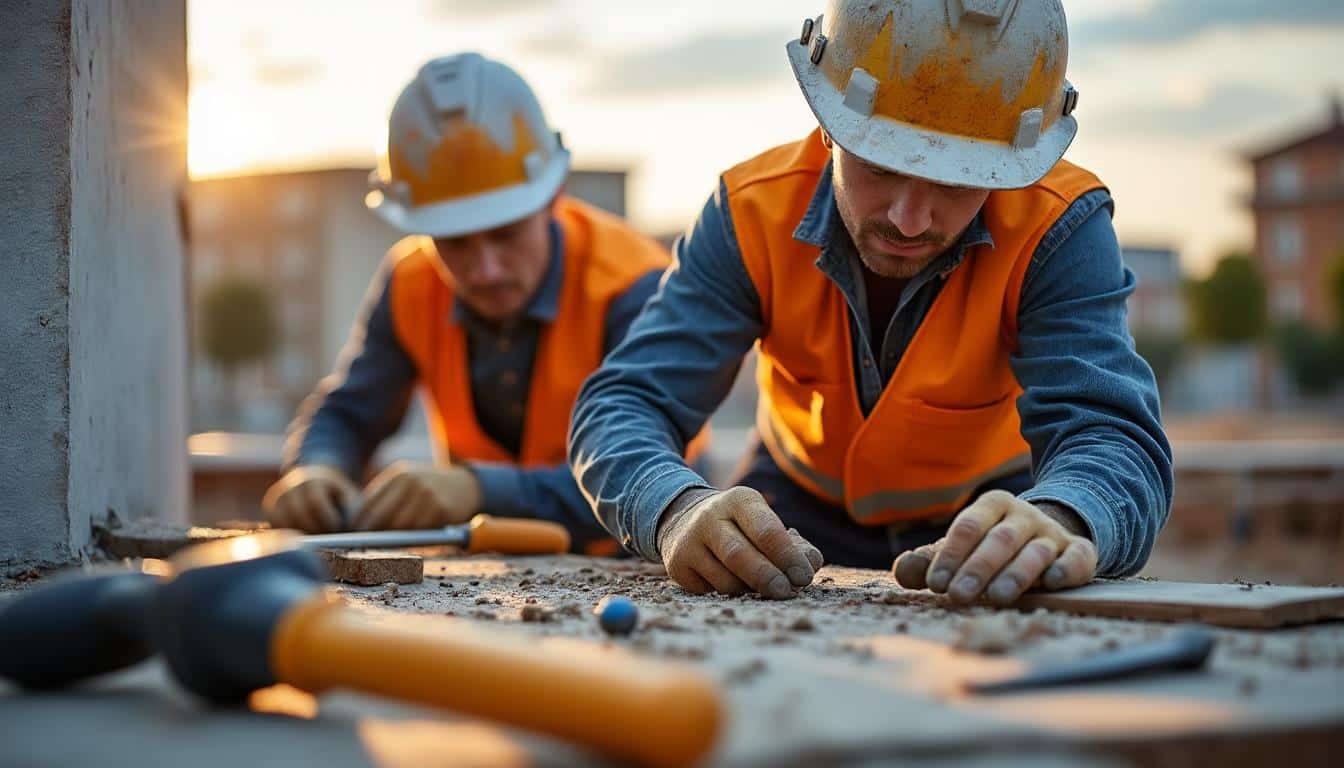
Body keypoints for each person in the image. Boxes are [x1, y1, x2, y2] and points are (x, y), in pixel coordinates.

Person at [569, 1, 1172, 601]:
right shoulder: (751, 213)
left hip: (994, 521)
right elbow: (626, 403)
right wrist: (673, 509)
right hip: (787, 513)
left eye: (959, 180)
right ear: (828, 123)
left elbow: (1112, 435)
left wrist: (1065, 518)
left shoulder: (1059, 226)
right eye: (880, 166)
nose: (910, 221)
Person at [264, 53, 698, 553]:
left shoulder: (634, 284)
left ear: (552, 194)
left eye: (505, 234)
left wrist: (479, 489)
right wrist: (317, 468)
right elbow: (349, 411)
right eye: (454, 242)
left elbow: (660, 477)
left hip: (635, 567)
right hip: (486, 570)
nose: (485, 269)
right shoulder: (410, 281)